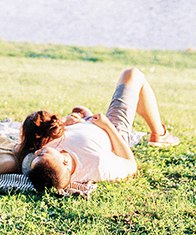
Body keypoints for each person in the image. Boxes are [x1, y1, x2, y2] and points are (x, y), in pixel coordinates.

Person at [26, 67, 179, 191]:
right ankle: (159, 134)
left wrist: (69, 121)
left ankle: (85, 117)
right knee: (132, 75)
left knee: (73, 111)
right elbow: (130, 165)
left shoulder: (42, 165)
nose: (39, 152)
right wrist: (107, 126)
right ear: (64, 163)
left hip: (86, 125)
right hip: (112, 128)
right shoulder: (97, 165)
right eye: (42, 154)